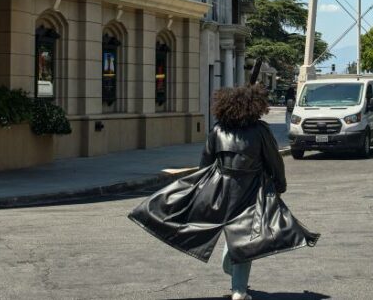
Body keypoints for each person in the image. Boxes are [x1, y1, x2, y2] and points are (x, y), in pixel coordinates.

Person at [130, 85, 319, 300]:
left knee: (236, 238)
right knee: (244, 239)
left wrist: (198, 190)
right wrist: (279, 185)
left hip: (220, 189)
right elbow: (274, 161)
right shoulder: (260, 131)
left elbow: (205, 164)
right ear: (254, 107)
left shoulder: (218, 131)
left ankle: (238, 285)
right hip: (252, 189)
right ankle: (239, 289)